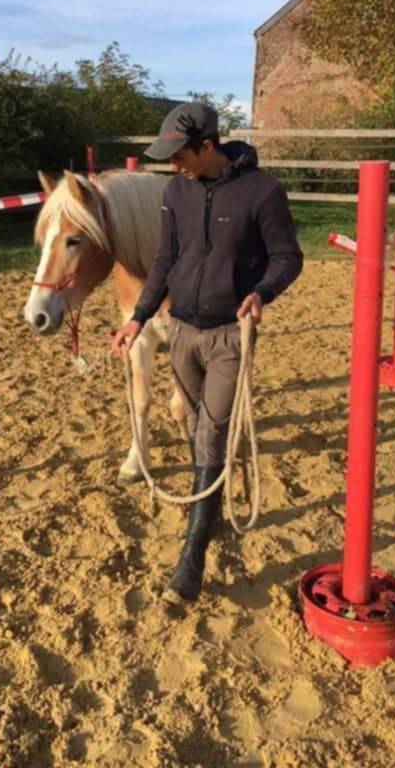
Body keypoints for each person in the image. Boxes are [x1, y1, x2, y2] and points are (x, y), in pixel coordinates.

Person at [111, 101, 303, 605]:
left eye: (181, 155)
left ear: (209, 145)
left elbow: (289, 256)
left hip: (228, 335)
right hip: (181, 332)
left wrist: (263, 291)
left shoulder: (262, 192)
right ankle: (210, 511)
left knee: (212, 435)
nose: (173, 165)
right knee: (198, 426)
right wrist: (138, 316)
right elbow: (165, 259)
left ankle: (191, 559)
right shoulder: (177, 191)